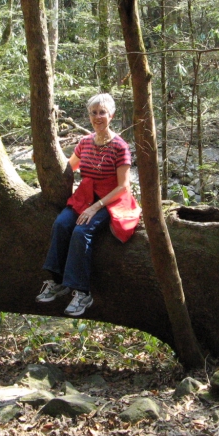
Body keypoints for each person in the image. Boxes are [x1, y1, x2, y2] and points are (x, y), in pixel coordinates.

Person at [37, 93, 140, 317]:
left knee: (81, 232)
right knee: (62, 224)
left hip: (111, 199)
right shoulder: (84, 143)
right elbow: (68, 167)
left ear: (111, 115)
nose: (97, 117)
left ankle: (82, 291)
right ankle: (57, 282)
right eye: (93, 113)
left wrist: (96, 207)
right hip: (85, 196)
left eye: (102, 112)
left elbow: (123, 185)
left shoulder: (120, 147)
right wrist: (43, 162)